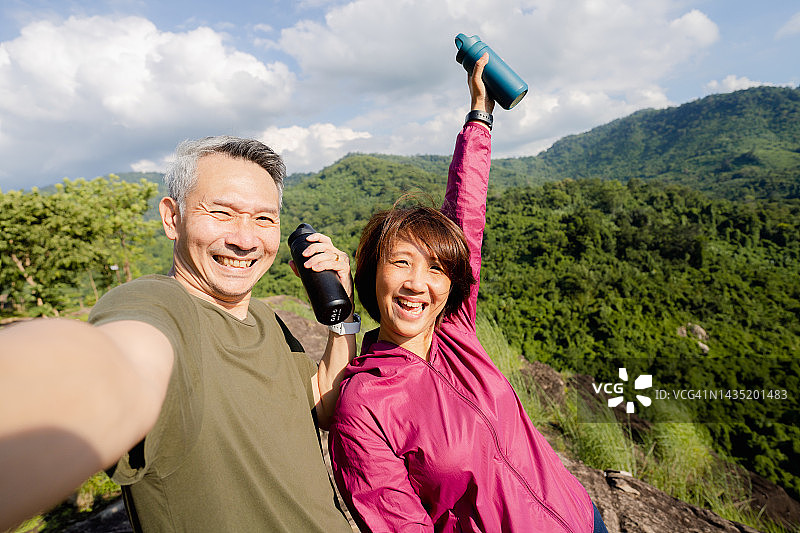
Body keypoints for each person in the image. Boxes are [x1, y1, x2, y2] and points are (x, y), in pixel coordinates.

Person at [0, 136, 357, 532]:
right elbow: (115, 366)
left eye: (264, 219)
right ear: (172, 217)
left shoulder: (264, 318)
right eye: (222, 213)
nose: (245, 239)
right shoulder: (157, 304)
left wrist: (342, 315)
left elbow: (323, 406)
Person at [328, 53, 608, 532]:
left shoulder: (455, 330)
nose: (418, 283)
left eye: (436, 268)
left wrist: (480, 114)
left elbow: (466, 217)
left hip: (583, 517)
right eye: (401, 262)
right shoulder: (364, 404)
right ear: (372, 273)